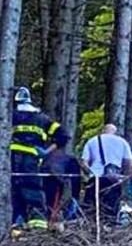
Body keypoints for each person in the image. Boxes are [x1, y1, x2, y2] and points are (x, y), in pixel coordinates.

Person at [11, 86, 67, 230]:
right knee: (33, 191)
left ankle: (16, 225)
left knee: (12, 192)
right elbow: (63, 136)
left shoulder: (9, 115)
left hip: (10, 159)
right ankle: (37, 227)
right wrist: (47, 151)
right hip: (32, 161)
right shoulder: (42, 119)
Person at [81, 124, 132, 222]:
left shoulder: (92, 141)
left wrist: (90, 173)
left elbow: (84, 163)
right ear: (115, 132)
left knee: (90, 208)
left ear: (103, 130)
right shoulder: (122, 142)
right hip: (114, 180)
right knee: (111, 209)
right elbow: (131, 165)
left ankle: (89, 228)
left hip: (96, 179)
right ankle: (108, 229)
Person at [42, 132, 83, 223]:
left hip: (54, 183)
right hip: (55, 183)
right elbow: (76, 182)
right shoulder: (68, 159)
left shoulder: (45, 158)